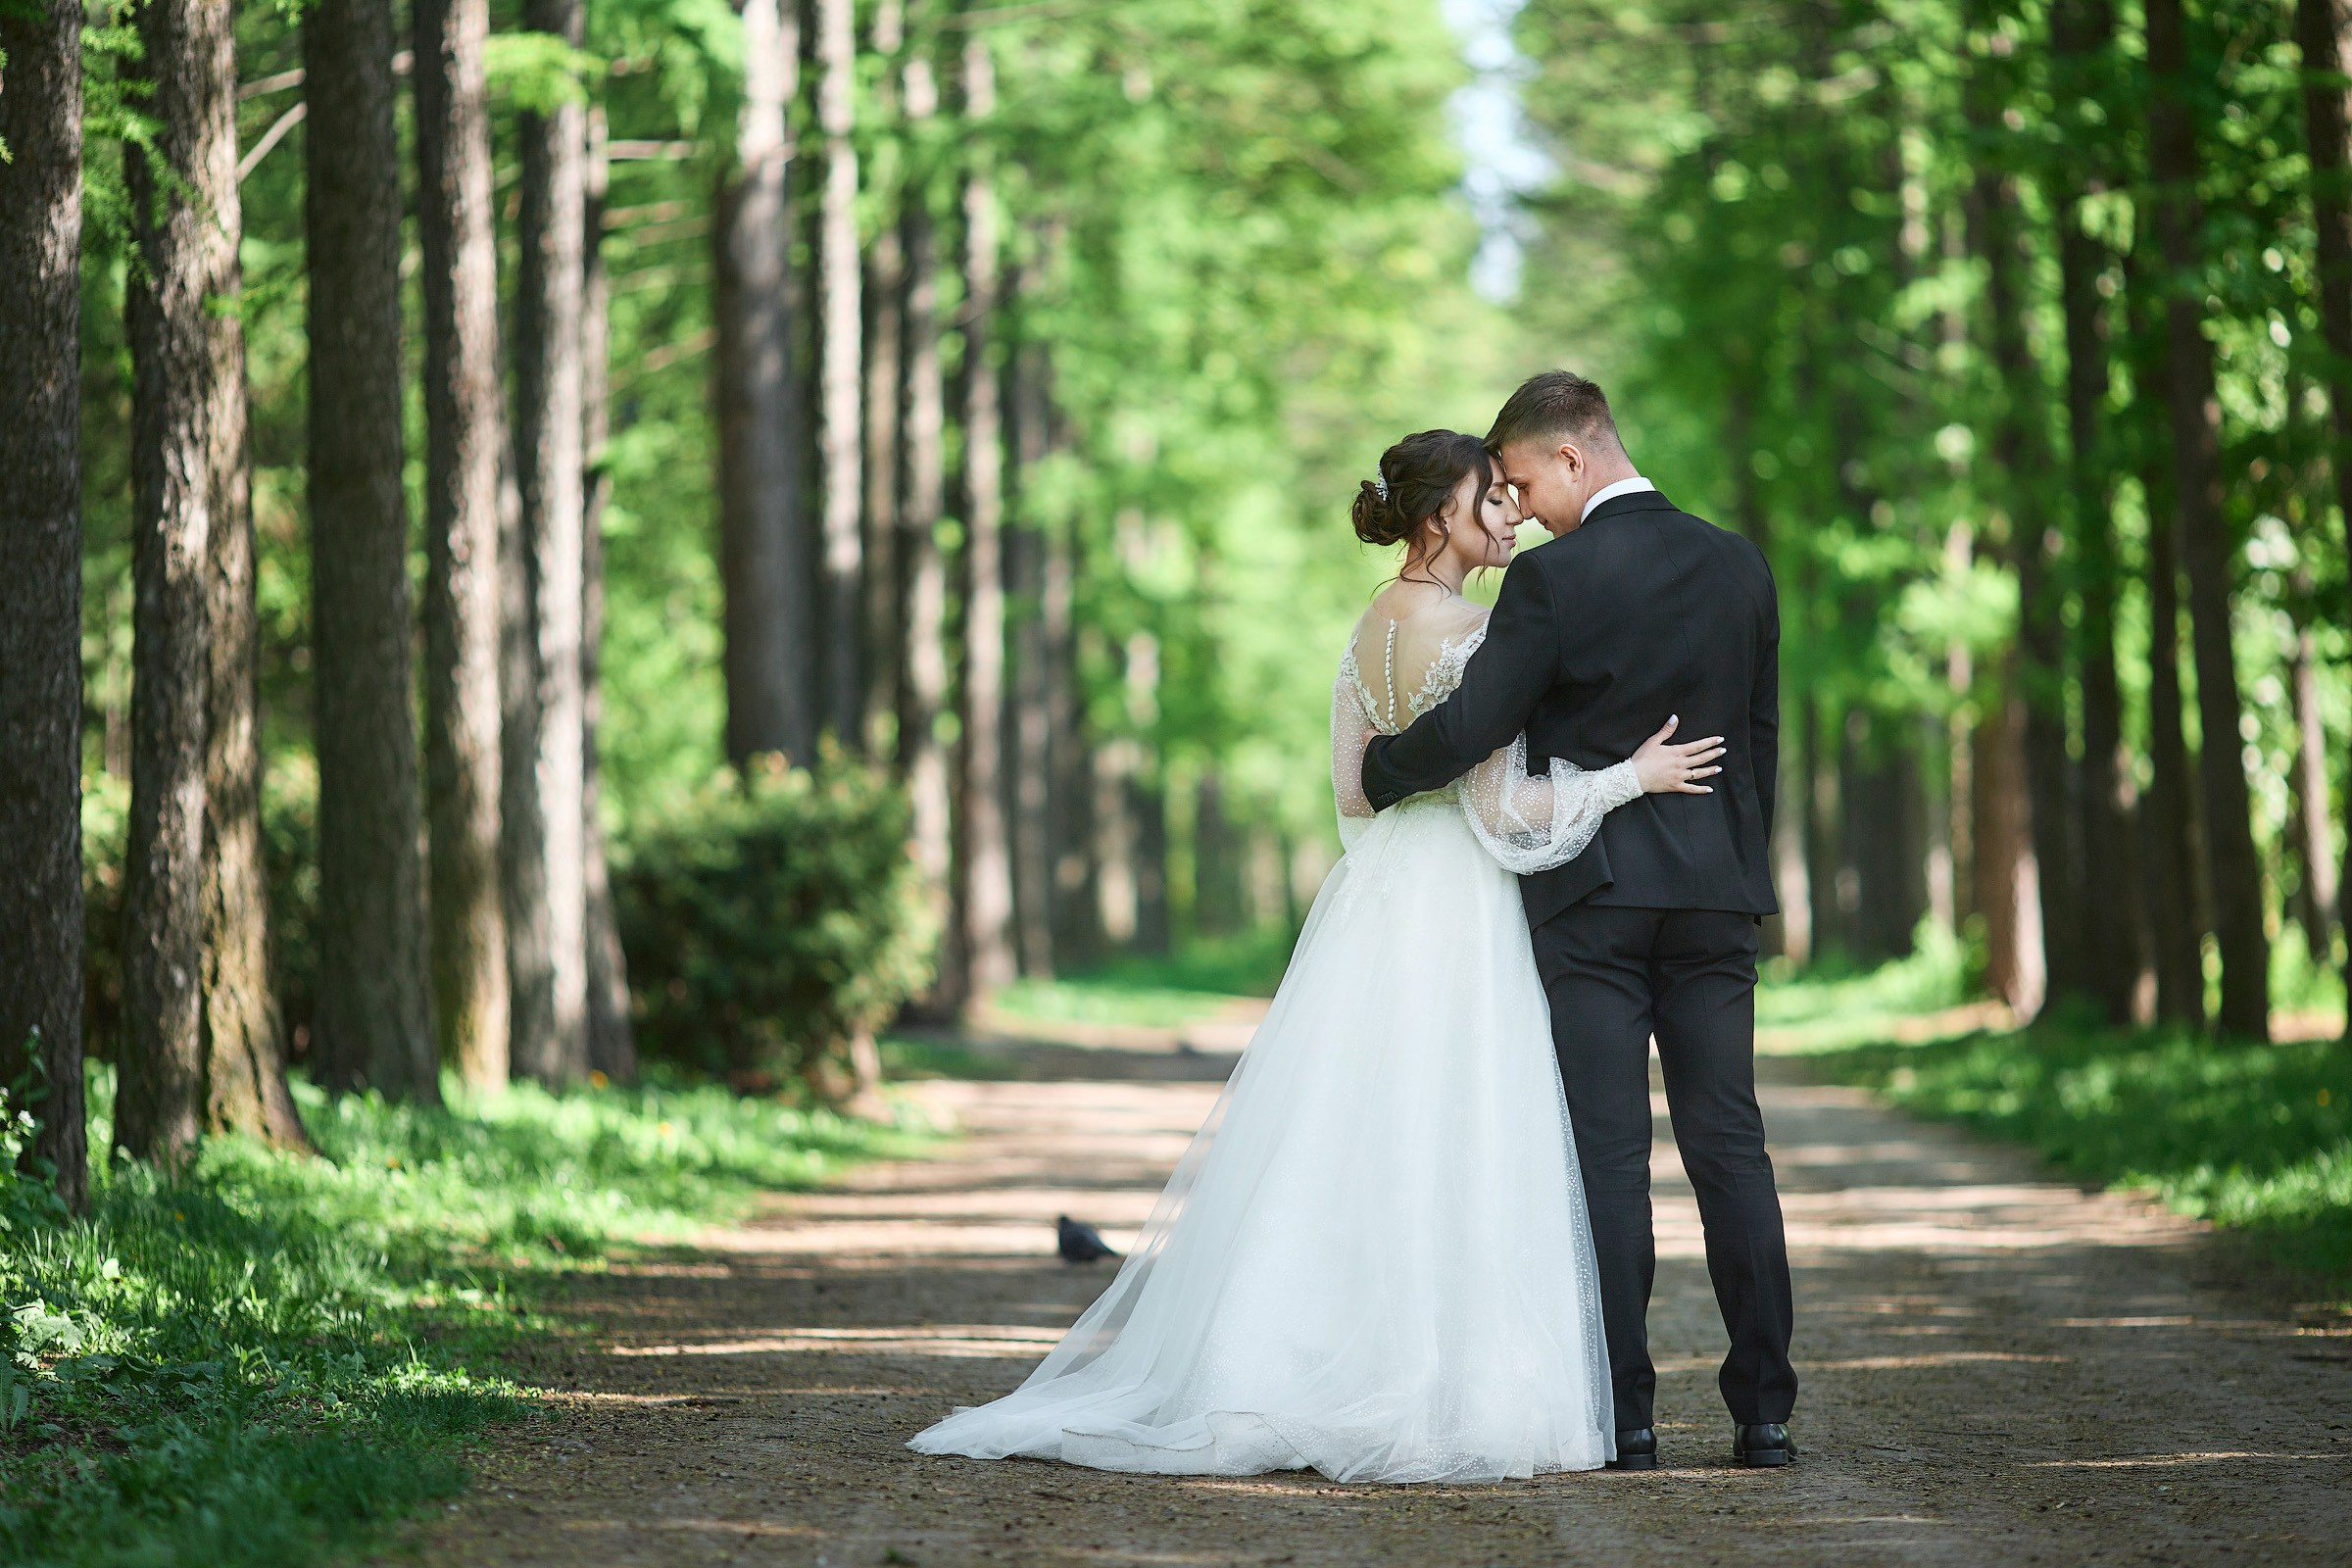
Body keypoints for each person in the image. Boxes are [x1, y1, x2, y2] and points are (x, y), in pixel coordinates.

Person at [907, 427, 1723, 1483]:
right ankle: (1442, 1382)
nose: (1510, 514)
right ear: (1443, 519)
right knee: (1454, 1132)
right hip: (1460, 908)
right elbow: (1505, 813)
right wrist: (1629, 776)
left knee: (1353, 1136)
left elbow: (1352, 793)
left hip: (1377, 896)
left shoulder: (1367, 630)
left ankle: (1291, 1357)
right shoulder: (1478, 632)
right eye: (1492, 499)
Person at [1361, 371, 1797, 1471]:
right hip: (1713, 900)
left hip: (1592, 900)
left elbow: (1475, 725)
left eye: (1520, 481)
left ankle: (1628, 1414)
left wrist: (1382, 766)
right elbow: (1757, 740)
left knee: (1609, 1155)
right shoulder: (1740, 563)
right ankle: (1764, 1411)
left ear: (1573, 456)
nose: (1521, 508)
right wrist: (1750, 881)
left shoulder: (1553, 582)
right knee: (1730, 1146)